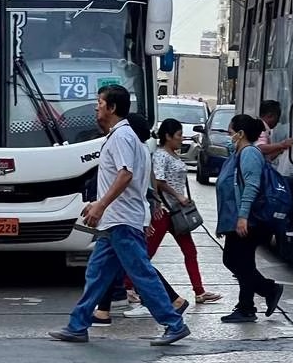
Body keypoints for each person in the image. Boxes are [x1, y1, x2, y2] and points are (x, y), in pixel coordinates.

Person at [49, 85, 191, 345]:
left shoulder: (122, 137)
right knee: (97, 274)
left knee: (141, 274)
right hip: (114, 221)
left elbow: (125, 175)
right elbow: (123, 179)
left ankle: (174, 323)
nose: (96, 107)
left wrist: (101, 205)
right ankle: (77, 325)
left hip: (122, 221)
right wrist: (97, 203)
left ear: (112, 108)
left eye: (100, 103)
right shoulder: (123, 137)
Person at [93, 112, 189, 325]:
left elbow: (142, 187)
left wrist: (146, 217)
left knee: (138, 267)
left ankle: (172, 314)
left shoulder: (132, 149)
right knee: (106, 268)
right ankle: (92, 314)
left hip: (125, 217)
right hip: (122, 217)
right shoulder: (140, 149)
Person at [145, 117, 222, 304]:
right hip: (164, 211)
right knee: (147, 253)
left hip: (178, 212)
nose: (182, 138)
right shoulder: (161, 155)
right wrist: (176, 196)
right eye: (179, 135)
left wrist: (183, 197)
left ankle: (199, 291)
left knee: (190, 251)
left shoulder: (173, 154)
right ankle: (128, 286)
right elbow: (159, 181)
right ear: (168, 136)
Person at [216, 114, 284, 323]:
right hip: (234, 219)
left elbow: (251, 187)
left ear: (240, 134)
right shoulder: (238, 153)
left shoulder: (249, 154)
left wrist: (243, 217)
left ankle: (248, 306)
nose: (229, 137)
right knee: (234, 260)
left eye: (230, 133)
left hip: (249, 220)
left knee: (242, 262)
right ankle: (266, 291)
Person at [256, 100, 292, 164]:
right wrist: (281, 145)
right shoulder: (261, 128)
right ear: (270, 115)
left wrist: (280, 150)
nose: (278, 121)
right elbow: (260, 148)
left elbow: (267, 157)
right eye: (277, 118)